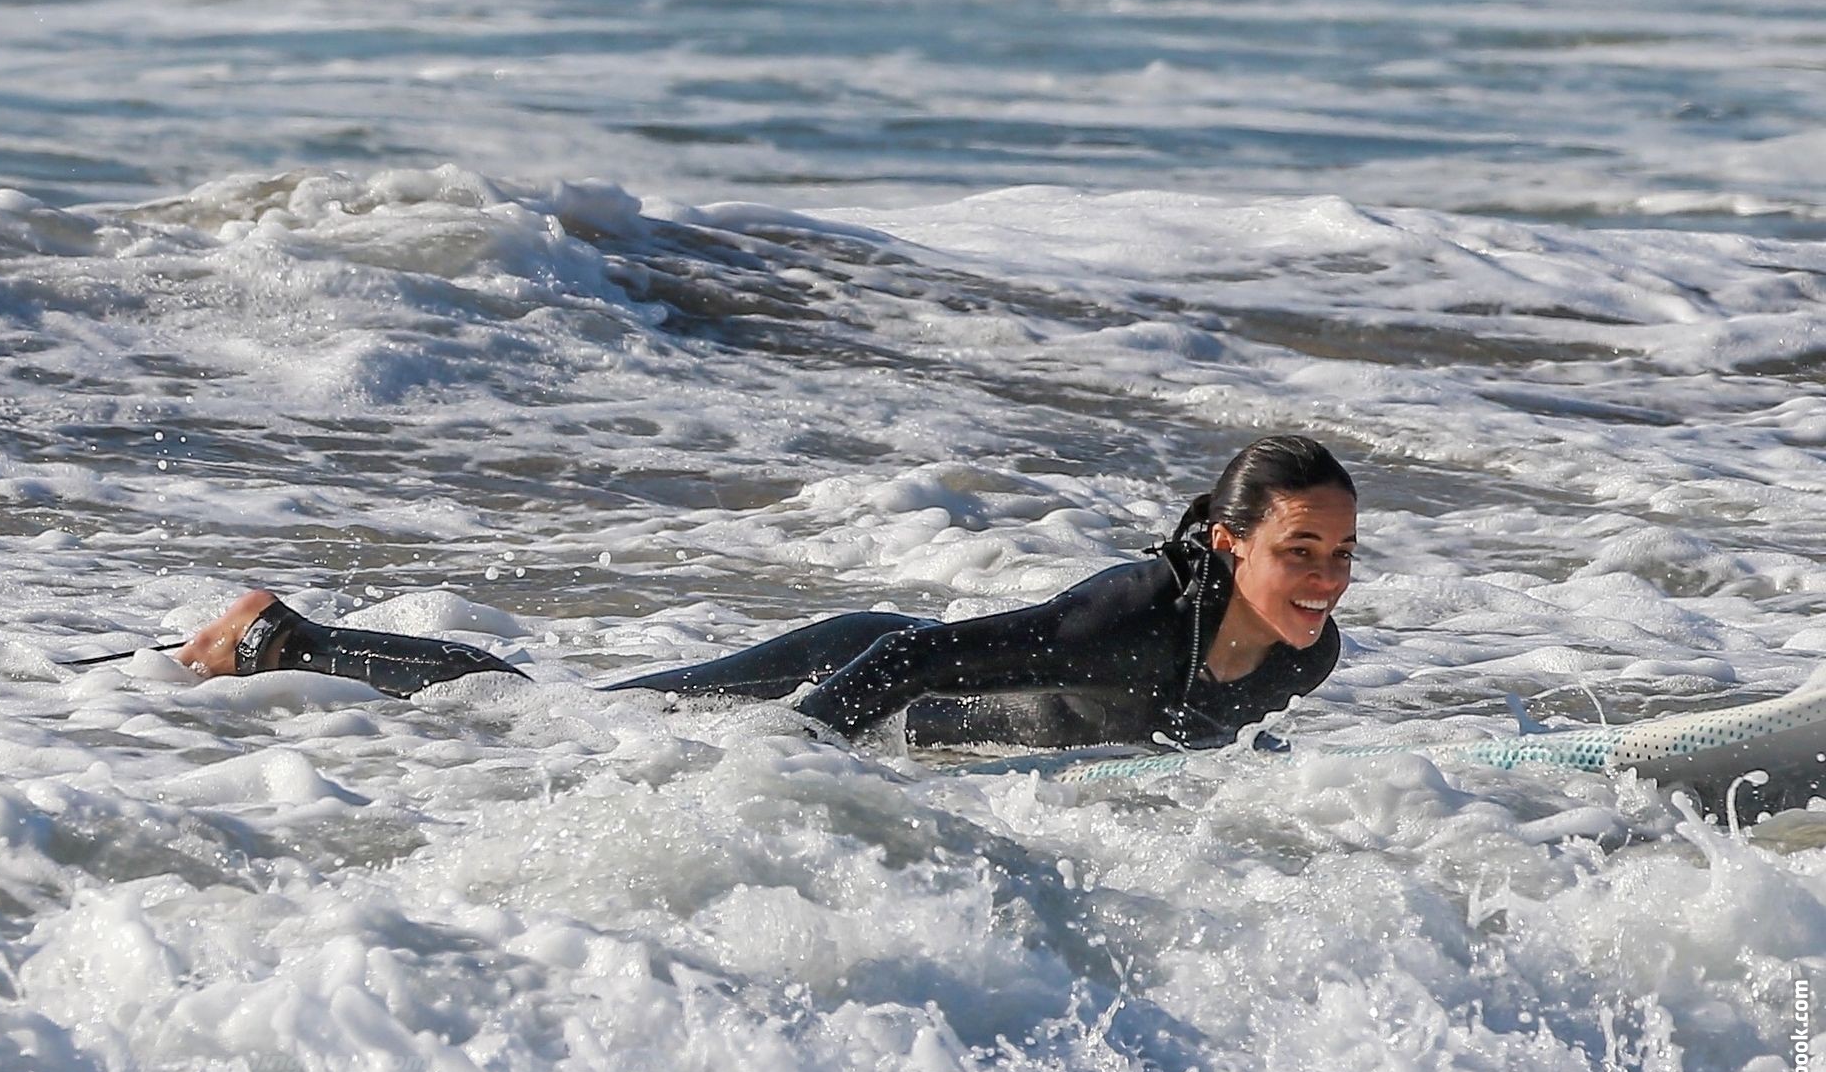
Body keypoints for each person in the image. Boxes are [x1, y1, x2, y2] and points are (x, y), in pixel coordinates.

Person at [172, 435, 1357, 751]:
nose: (1323, 578)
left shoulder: (1307, 652)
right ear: (1227, 541)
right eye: (1300, 549)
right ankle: (285, 638)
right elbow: (918, 659)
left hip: (911, 725)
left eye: (1342, 553)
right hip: (852, 672)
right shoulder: (1129, 613)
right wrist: (790, 758)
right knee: (552, 713)